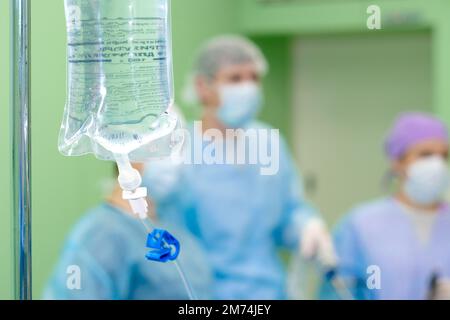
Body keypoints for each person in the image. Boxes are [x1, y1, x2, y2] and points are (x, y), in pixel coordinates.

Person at [143, 35, 336, 300]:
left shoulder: (268, 142)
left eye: (254, 78)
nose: (248, 87)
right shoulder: (177, 151)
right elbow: (154, 219)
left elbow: (288, 210)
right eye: (235, 79)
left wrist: (307, 226)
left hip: (268, 292)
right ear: (203, 86)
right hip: (199, 294)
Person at [320, 113, 450, 300]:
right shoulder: (361, 225)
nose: (437, 164)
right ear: (397, 162)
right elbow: (337, 291)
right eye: (425, 154)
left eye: (444, 156)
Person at [44, 163, 212, 300]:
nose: (177, 160)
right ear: (126, 152)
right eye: (164, 144)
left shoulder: (172, 227)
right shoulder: (102, 232)